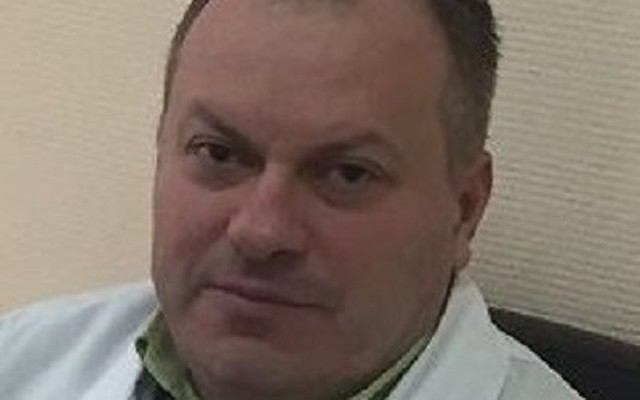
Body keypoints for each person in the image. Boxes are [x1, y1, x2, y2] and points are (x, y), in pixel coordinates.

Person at [0, 0, 584, 399]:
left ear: (465, 210)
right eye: (219, 153)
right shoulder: (21, 363)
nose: (260, 231)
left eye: (348, 174)